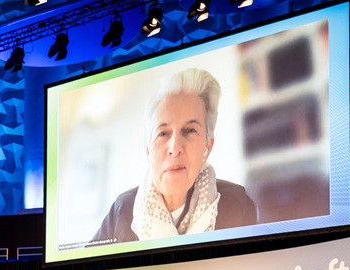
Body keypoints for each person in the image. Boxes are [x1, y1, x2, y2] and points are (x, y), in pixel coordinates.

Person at [90, 67, 257, 246]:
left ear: (207, 146)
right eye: (163, 133)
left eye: (189, 130)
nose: (175, 148)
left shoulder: (237, 204)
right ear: (148, 150)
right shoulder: (122, 210)